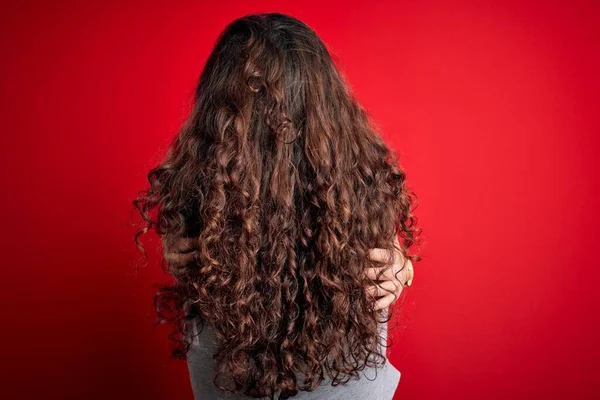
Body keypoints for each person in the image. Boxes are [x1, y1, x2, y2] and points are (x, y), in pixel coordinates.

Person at [133, 12, 421, 400]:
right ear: (326, 101)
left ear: (215, 105)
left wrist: (401, 270)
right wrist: (401, 271)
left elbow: (390, 264)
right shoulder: (358, 183)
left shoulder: (200, 188)